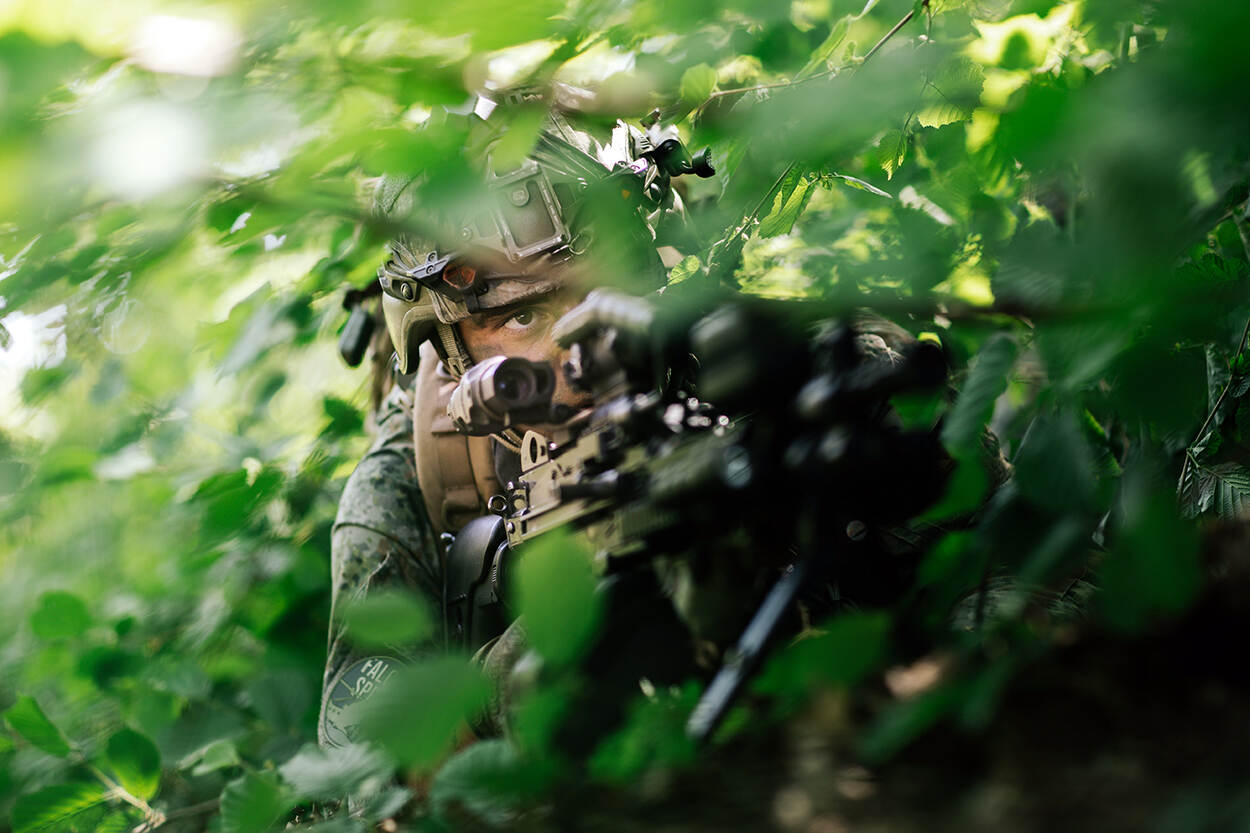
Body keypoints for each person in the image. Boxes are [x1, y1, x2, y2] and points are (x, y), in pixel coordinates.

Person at [318, 99, 697, 747]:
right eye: (523, 317)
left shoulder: (726, 365)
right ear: (448, 346)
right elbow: (350, 758)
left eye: (601, 287)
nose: (578, 344)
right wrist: (506, 684)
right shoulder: (413, 472)